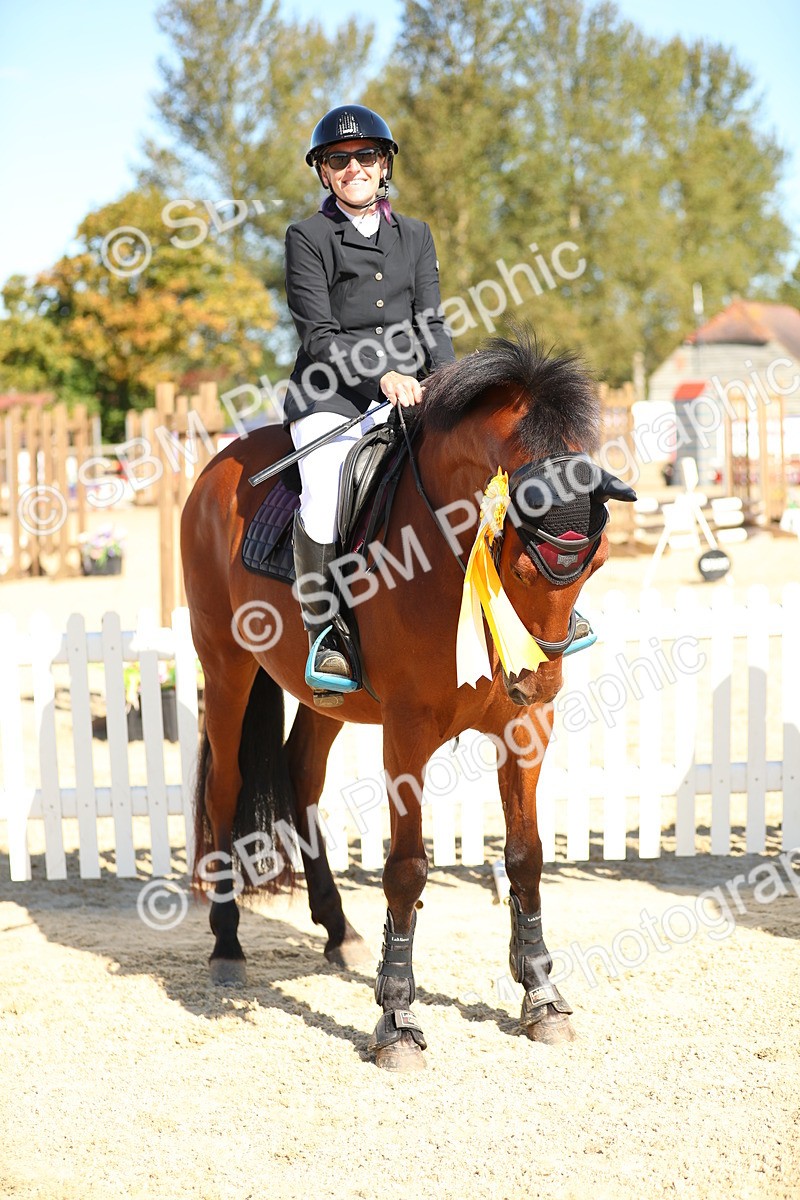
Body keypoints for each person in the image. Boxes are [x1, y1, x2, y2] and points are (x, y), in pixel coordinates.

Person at [284, 103, 455, 696]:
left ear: (384, 164)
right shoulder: (307, 238)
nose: (354, 166)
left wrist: (450, 386)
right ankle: (325, 631)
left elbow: (431, 321)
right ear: (325, 173)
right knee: (327, 485)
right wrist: (382, 376)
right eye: (339, 160)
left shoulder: (416, 235)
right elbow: (318, 335)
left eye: (365, 157)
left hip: (412, 393)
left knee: (473, 466)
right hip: (330, 398)